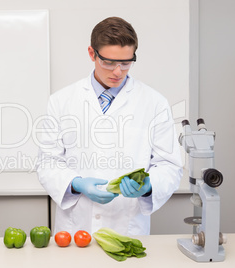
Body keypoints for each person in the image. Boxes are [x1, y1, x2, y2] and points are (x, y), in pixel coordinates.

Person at [36, 17, 182, 236]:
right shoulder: (62, 101)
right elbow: (47, 162)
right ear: (91, 53)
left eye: (126, 63)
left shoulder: (154, 103)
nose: (117, 71)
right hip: (76, 227)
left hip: (128, 227)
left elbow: (169, 165)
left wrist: (149, 186)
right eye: (109, 62)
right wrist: (76, 184)